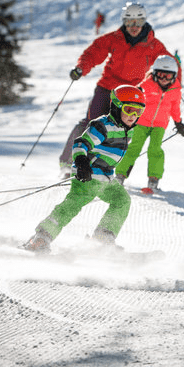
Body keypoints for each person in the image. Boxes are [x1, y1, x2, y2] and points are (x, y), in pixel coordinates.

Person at [23, 86, 146, 253]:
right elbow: (81, 143)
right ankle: (41, 238)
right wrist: (81, 162)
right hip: (89, 176)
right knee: (72, 206)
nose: (133, 116)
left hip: (106, 178)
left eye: (138, 111)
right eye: (129, 109)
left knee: (121, 201)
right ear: (116, 107)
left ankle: (103, 238)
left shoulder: (127, 130)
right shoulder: (103, 126)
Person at [60, 1, 173, 175]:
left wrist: (172, 81)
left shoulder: (153, 45)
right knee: (92, 124)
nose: (133, 27)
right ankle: (70, 164)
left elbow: (168, 63)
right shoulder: (114, 38)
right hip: (107, 89)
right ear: (124, 22)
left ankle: (106, 169)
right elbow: (94, 52)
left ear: (144, 22)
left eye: (138, 22)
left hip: (131, 93)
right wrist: (81, 68)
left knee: (122, 132)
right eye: (129, 22)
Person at [115, 55, 184, 193]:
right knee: (134, 148)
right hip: (141, 122)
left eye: (168, 76)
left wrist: (178, 123)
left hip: (160, 124)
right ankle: (120, 175)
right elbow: (134, 98)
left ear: (174, 76)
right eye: (161, 74)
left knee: (155, 150)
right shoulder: (146, 85)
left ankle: (153, 179)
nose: (164, 79)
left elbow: (175, 108)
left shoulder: (175, 90)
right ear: (154, 73)